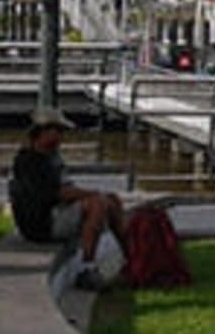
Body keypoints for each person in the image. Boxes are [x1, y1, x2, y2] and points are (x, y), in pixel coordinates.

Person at [9, 106, 128, 287]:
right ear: (43, 131)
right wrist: (92, 194)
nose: (61, 137)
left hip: (56, 214)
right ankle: (86, 269)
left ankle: (129, 257)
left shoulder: (52, 157)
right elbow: (58, 193)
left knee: (112, 200)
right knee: (97, 204)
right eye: (58, 131)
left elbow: (66, 188)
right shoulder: (30, 161)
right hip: (41, 224)